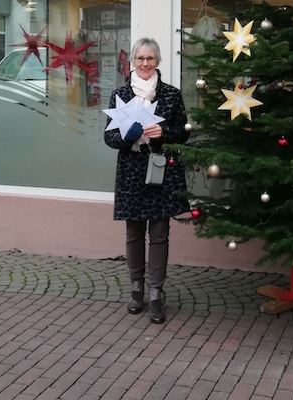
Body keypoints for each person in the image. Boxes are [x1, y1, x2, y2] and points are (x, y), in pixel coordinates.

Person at [104, 38, 190, 324]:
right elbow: (108, 137)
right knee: (133, 233)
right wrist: (126, 138)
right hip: (131, 170)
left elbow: (183, 131)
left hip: (161, 169)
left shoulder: (170, 95)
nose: (144, 63)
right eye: (140, 58)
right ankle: (136, 289)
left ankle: (156, 293)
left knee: (160, 234)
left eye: (150, 58)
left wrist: (163, 133)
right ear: (132, 61)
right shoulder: (120, 95)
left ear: (157, 61)